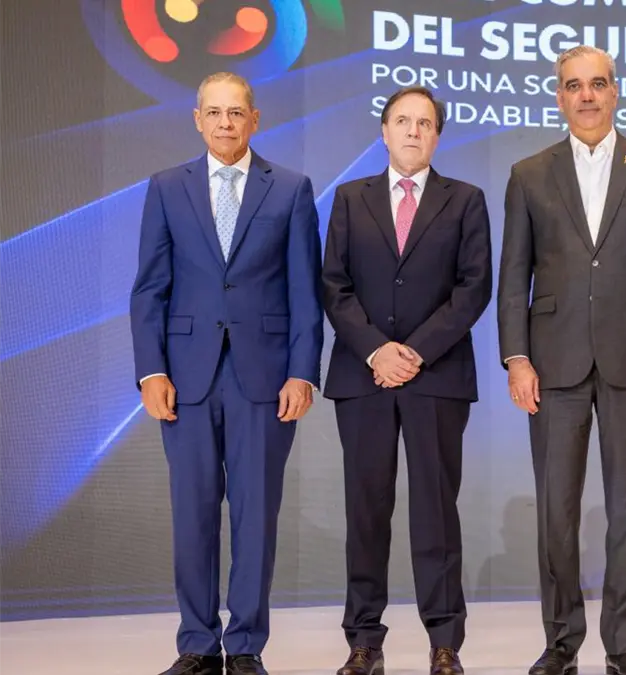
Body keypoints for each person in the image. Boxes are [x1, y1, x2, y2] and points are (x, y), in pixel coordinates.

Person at [496, 45, 626, 675]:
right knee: (556, 510)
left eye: (598, 84)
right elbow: (513, 275)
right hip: (551, 364)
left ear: (615, 92)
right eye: (574, 85)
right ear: (559, 96)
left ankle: (623, 644)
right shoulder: (529, 173)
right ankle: (561, 641)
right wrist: (516, 357)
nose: (586, 95)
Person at [130, 72, 323, 675]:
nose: (224, 123)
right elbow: (149, 289)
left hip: (265, 379)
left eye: (235, 112)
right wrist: (151, 371)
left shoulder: (290, 189)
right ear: (197, 119)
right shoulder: (167, 187)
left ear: (254, 119)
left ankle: (244, 647)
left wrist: (302, 373)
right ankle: (196, 645)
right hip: (185, 380)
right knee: (192, 516)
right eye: (213, 112)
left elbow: (305, 291)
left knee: (255, 516)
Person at [321, 86, 492, 675]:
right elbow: (334, 286)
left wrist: (414, 352)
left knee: (435, 512)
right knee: (366, 511)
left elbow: (473, 288)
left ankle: (445, 642)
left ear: (437, 135)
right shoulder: (350, 198)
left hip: (435, 376)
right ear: (384, 131)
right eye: (402, 121)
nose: (413, 131)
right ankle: (363, 642)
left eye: (424, 123)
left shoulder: (465, 200)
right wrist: (377, 350)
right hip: (363, 375)